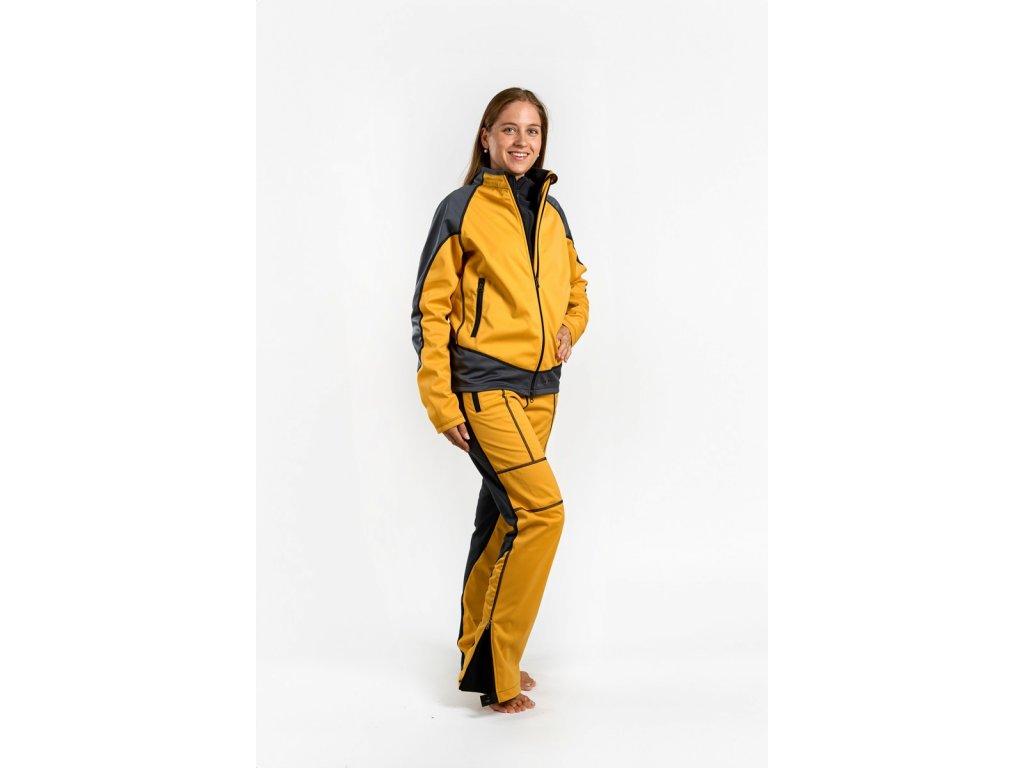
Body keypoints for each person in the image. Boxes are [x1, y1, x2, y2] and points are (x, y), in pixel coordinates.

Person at [410, 87, 589, 714]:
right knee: (543, 512)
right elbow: (430, 311)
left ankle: (479, 654)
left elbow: (577, 285)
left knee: (502, 523)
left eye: (532, 130)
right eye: (508, 129)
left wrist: (570, 326)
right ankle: (499, 675)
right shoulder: (460, 209)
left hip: (542, 391)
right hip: (485, 387)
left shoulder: (552, 212)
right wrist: (441, 402)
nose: (521, 140)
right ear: (486, 137)